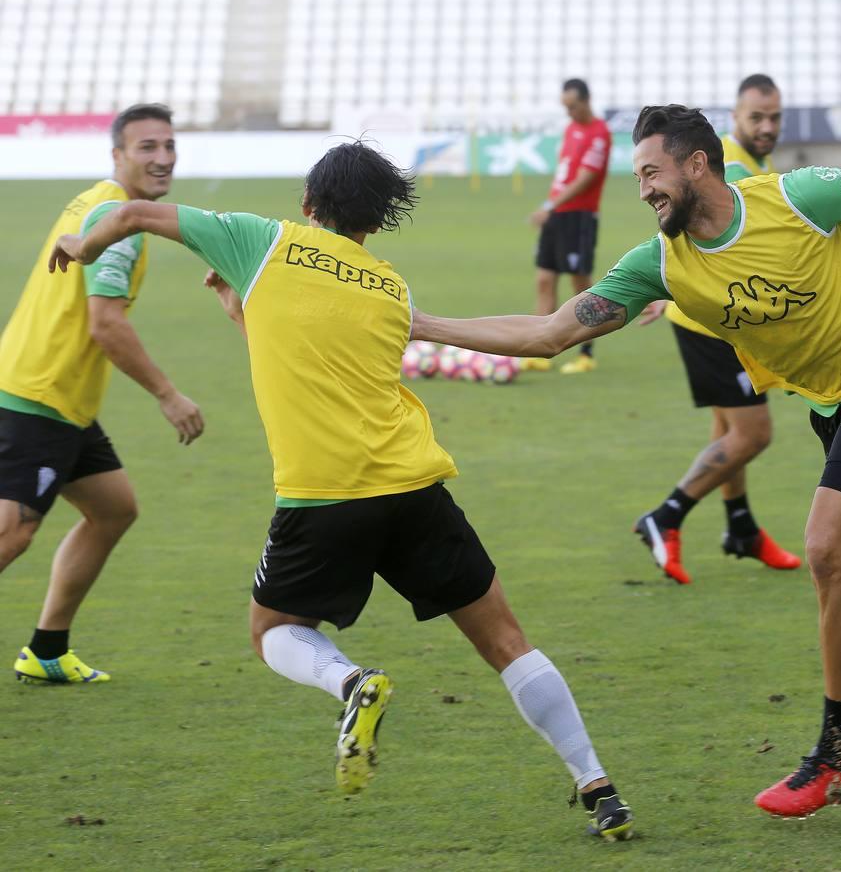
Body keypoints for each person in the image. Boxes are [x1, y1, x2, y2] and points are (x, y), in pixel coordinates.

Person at [411, 105, 841, 818]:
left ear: (697, 163)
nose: (644, 190)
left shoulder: (798, 198)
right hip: (836, 409)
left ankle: (835, 757)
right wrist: (421, 324)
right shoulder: (658, 263)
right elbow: (548, 333)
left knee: (825, 548)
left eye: (652, 173)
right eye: (638, 178)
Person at [48, 141, 634, 840]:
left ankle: (350, 683)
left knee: (272, 631)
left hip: (323, 497)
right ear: (377, 221)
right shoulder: (388, 287)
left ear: (306, 203)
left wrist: (81, 245)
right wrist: (243, 309)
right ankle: (598, 786)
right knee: (507, 640)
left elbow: (137, 212)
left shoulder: (259, 240)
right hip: (415, 486)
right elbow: (321, 355)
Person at [1, 103, 204, 685]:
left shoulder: (94, 198)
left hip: (60, 395)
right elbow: (105, 323)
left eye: (169, 145)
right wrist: (169, 395)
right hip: (40, 395)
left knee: (113, 509)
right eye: (148, 147)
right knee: (12, 533)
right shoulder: (118, 223)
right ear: (118, 154)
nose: (163, 158)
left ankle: (46, 650)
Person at [632, 74, 801, 584]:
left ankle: (741, 527)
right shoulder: (726, 161)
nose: (766, 126)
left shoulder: (753, 164)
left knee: (729, 432)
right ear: (736, 116)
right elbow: (677, 209)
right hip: (713, 323)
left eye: (774, 116)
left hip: (720, 316)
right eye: (756, 117)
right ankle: (667, 516)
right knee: (753, 434)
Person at [524, 78, 612, 375]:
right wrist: (551, 207)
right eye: (566, 107)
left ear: (586, 101)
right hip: (557, 215)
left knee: (580, 285)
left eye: (573, 106)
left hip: (578, 217)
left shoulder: (599, 133)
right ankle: (539, 349)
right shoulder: (571, 129)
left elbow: (584, 179)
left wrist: (549, 206)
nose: (569, 112)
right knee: (544, 280)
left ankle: (587, 353)